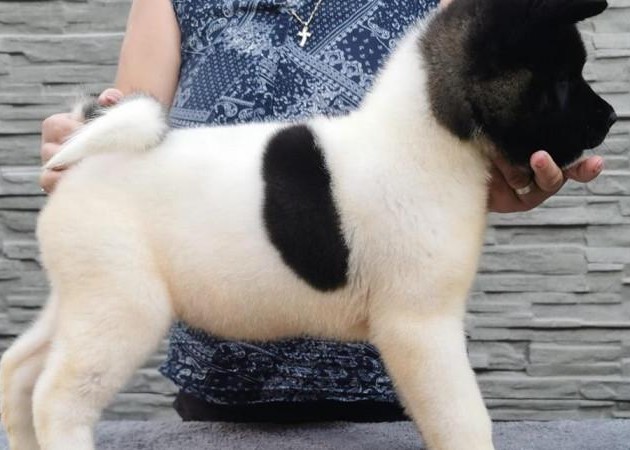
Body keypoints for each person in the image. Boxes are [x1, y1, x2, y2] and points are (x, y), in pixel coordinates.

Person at [39, 0, 604, 422]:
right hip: (221, 385)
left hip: (387, 383)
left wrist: (499, 181)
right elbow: (134, 145)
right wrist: (90, 152)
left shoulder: (447, 11)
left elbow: (470, 147)